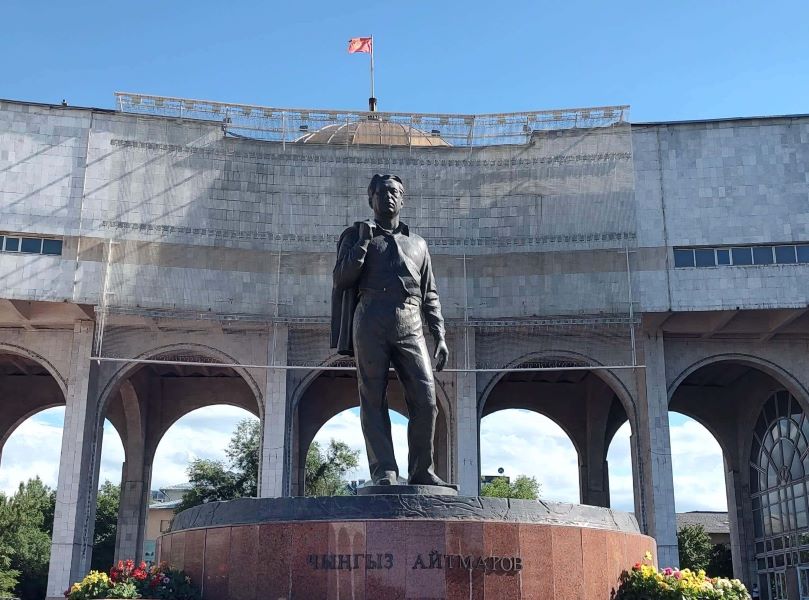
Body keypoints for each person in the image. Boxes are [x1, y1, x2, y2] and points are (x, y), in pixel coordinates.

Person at [331, 174, 450, 487]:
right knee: (372, 397)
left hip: (410, 321)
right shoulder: (355, 235)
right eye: (382, 192)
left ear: (403, 198)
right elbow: (342, 278)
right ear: (371, 198)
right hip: (370, 317)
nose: (389, 197)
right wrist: (362, 243)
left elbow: (430, 293)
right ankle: (384, 470)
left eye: (395, 191)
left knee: (426, 399)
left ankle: (422, 470)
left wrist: (439, 334)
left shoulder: (419, 243)